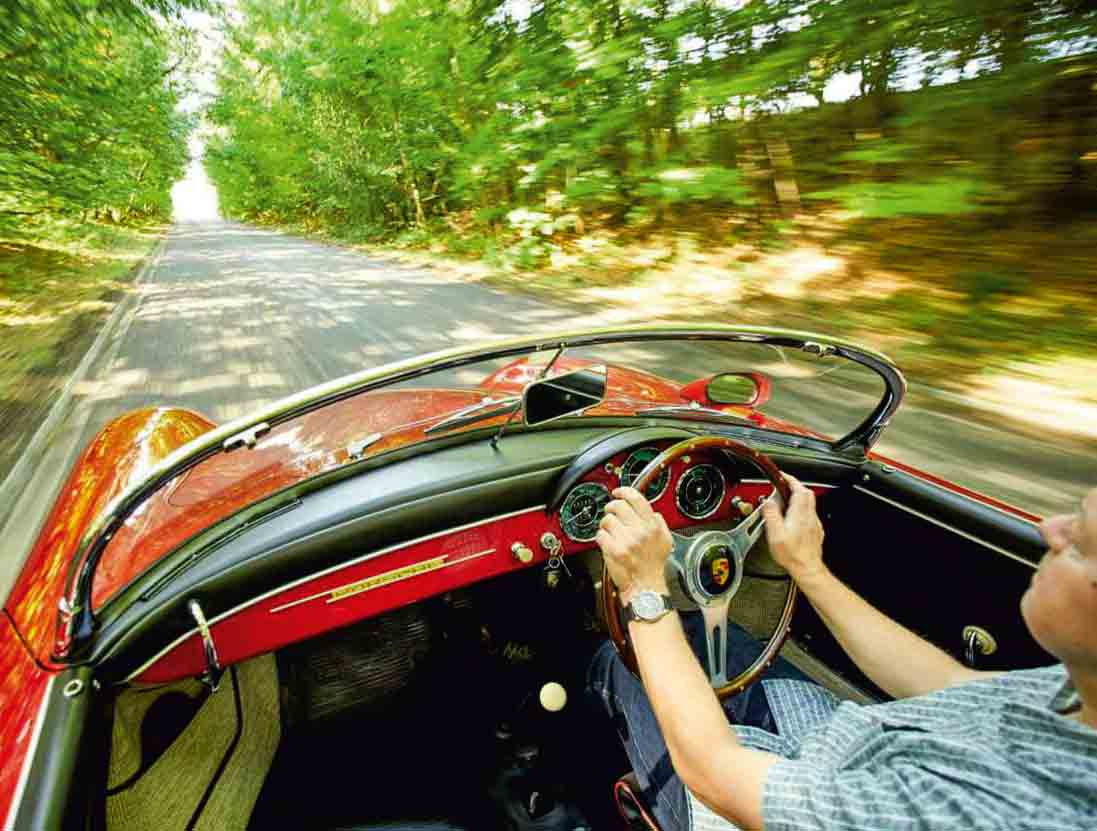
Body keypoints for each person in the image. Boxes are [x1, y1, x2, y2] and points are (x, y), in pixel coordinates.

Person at [588, 476, 1097, 830]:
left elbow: (716, 774)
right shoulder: (1076, 694)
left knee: (616, 658)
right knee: (692, 633)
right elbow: (946, 683)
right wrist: (807, 568)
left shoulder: (991, 813)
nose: (1049, 529)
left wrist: (643, 589)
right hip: (835, 743)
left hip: (749, 799)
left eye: (1080, 546)